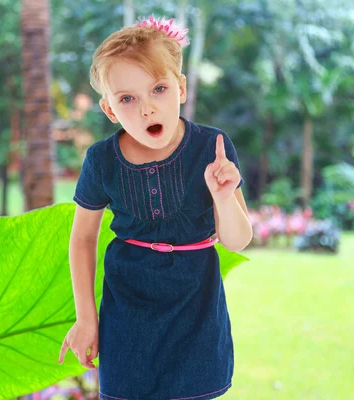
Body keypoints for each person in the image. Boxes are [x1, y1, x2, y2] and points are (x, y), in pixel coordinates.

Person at [58, 15, 252, 400]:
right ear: (110, 109)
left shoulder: (211, 148)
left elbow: (237, 240)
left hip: (195, 306)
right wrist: (86, 318)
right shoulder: (101, 160)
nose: (146, 108)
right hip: (127, 308)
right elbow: (82, 239)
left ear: (180, 88)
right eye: (127, 98)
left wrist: (224, 196)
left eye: (158, 89)